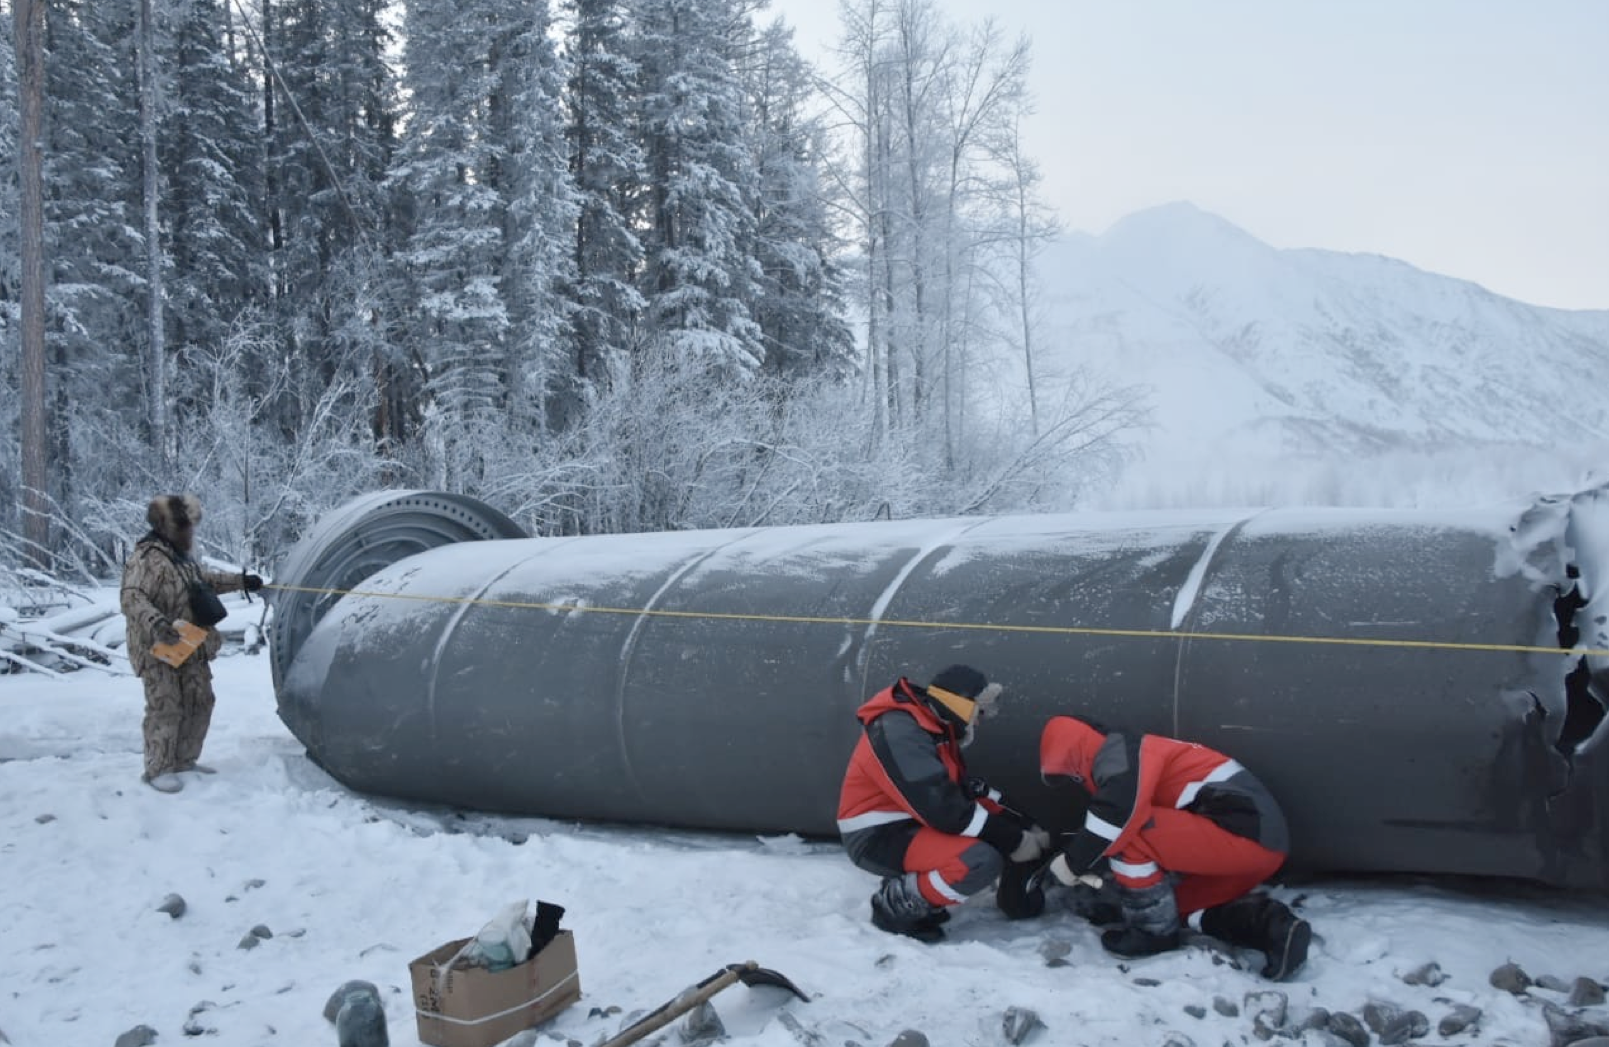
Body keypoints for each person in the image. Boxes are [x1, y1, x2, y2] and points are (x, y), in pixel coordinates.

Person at [1038, 714, 1312, 980]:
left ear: (1076, 750)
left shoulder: (1127, 753)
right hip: (1250, 847)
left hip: (1243, 832)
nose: (1076, 780)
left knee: (1130, 833)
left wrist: (1073, 861)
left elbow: (1120, 815)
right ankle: (1273, 928)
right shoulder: (1131, 756)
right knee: (1180, 909)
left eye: (1071, 773)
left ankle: (1152, 933)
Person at [836, 664, 1051, 941]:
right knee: (979, 860)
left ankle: (916, 885)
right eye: (979, 712)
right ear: (961, 705)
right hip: (877, 837)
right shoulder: (899, 732)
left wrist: (1023, 823)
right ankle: (896, 905)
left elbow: (966, 791)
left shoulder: (933, 726)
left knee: (986, 835)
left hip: (911, 823)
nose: (980, 721)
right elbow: (945, 810)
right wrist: (1014, 840)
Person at [120, 494, 263, 794]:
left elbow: (204, 582)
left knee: (200, 701)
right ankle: (158, 768)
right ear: (171, 527)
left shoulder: (181, 559)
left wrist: (241, 582)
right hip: (157, 648)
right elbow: (132, 597)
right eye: (187, 527)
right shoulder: (146, 558)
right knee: (166, 705)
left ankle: (184, 760)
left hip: (189, 644)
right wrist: (157, 623)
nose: (191, 533)